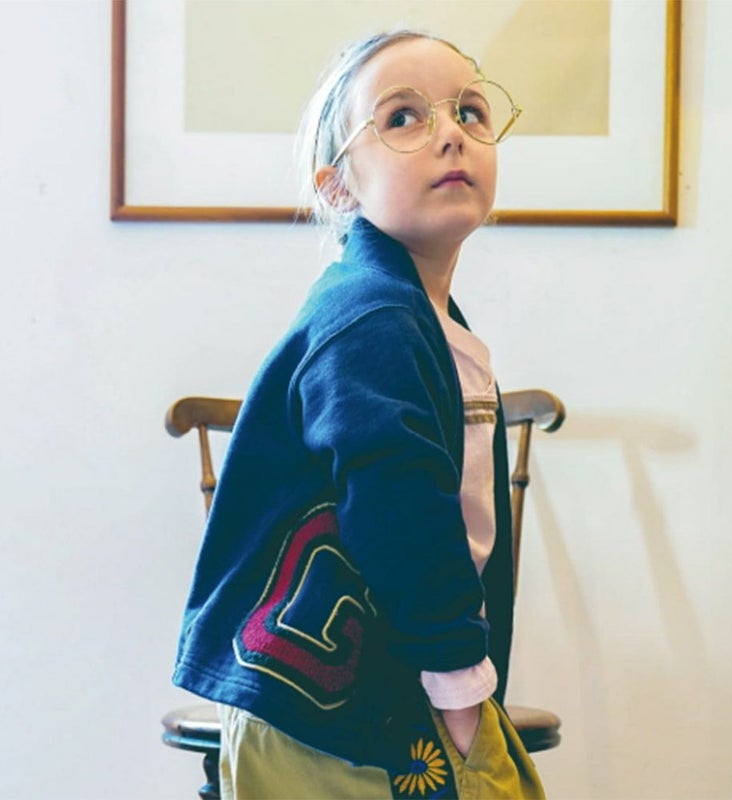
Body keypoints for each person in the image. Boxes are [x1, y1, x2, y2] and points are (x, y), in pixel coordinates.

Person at [172, 29, 546, 799]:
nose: (451, 132)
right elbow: (399, 509)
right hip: (330, 717)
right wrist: (463, 694)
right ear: (338, 187)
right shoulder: (372, 318)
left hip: (367, 696)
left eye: (470, 111)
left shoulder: (417, 317)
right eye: (402, 117)